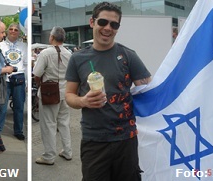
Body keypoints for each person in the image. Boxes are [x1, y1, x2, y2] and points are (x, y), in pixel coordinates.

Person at [65, 2, 151, 180]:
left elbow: (149, 90)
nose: (108, 28)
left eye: (114, 24)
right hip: (94, 140)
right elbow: (69, 96)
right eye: (103, 22)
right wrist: (83, 101)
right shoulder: (77, 59)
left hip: (126, 139)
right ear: (92, 22)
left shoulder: (128, 55)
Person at [33, 26, 73, 165]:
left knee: (49, 124)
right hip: (65, 91)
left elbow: (37, 74)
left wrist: (40, 85)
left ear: (52, 37)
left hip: (49, 92)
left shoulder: (45, 53)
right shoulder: (69, 53)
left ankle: (49, 156)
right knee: (64, 122)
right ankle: (67, 151)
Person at [0, 23, 28, 140]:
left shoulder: (23, 46)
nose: (13, 31)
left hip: (19, 77)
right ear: (7, 31)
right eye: (11, 29)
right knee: (2, 107)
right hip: (5, 78)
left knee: (19, 107)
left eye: (16, 30)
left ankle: (18, 130)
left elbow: (25, 64)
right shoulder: (0, 45)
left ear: (19, 32)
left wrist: (27, 82)